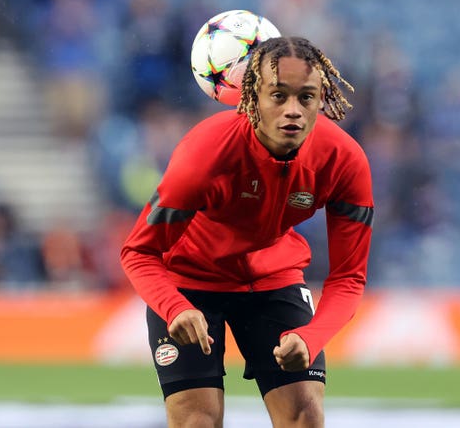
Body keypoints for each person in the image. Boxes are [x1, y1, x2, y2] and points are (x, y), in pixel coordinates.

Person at [121, 36, 374, 428]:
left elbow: (348, 278)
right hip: (188, 281)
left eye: (306, 98)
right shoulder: (204, 154)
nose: (293, 111)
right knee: (197, 421)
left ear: (321, 99)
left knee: (305, 415)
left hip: (274, 278)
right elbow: (139, 252)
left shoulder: (345, 160)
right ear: (251, 99)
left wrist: (311, 337)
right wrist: (175, 307)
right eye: (278, 96)